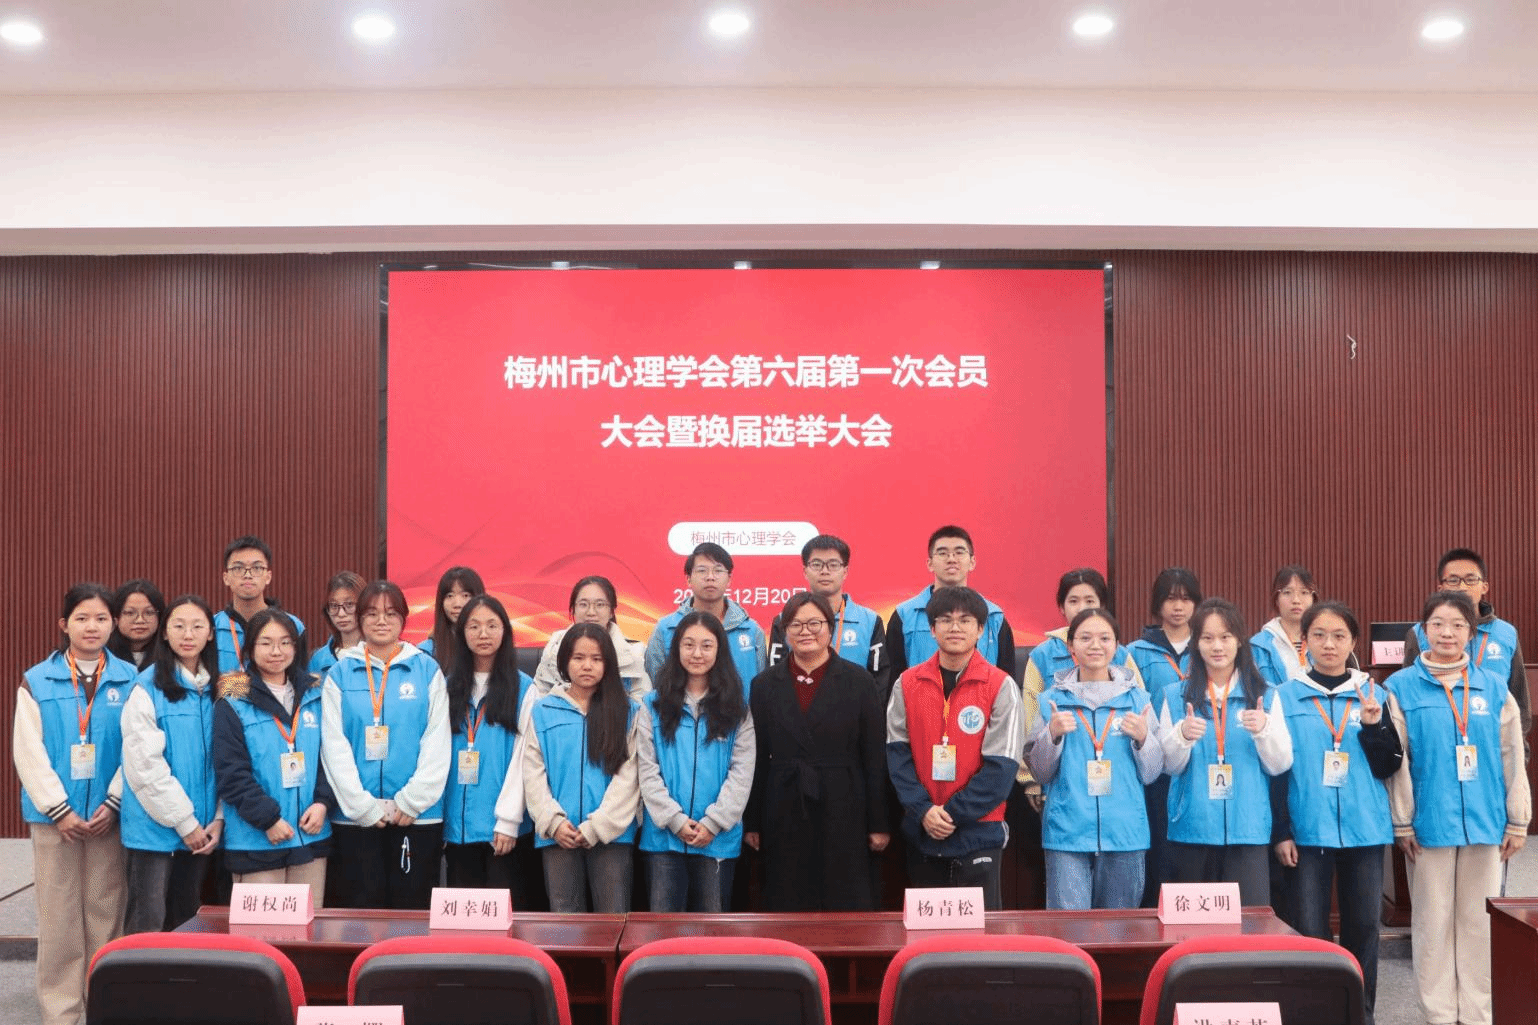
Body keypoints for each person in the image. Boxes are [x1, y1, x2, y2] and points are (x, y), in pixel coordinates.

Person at [1386, 590, 1530, 1025]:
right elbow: (1398, 763)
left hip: (1487, 822)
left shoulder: (1494, 687)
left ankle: (1477, 1014)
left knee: (1478, 923)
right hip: (1428, 823)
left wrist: (1518, 819)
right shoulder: (1400, 688)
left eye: (1457, 625)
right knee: (1432, 924)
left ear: (1471, 632)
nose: (1447, 633)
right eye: (1437, 624)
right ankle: (1439, 1015)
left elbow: (1512, 755)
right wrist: (1402, 822)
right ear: (1422, 630)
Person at [1272, 601, 1401, 1025]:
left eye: (1339, 636)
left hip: (1365, 830)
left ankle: (1360, 1015)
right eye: (1320, 635)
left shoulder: (1375, 695)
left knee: (1363, 929)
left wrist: (1373, 728)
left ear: (1353, 643)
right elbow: (1276, 769)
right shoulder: (1284, 696)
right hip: (1307, 831)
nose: (1329, 644)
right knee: (1310, 931)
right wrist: (1282, 831)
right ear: (1304, 642)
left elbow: (1389, 765)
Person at [13, 583, 135, 1025]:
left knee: (106, 915)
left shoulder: (131, 680)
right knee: (59, 919)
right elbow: (28, 752)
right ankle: (61, 1013)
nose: (91, 627)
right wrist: (59, 809)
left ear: (113, 624)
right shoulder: (36, 681)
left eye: (101, 618)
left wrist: (114, 802)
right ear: (64, 625)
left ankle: (103, 1007)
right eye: (82, 618)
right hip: (54, 823)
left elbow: (137, 748)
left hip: (107, 818)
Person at [746, 592, 889, 910]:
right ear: (784, 632)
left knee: (843, 899)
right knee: (787, 896)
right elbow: (756, 758)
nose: (805, 631)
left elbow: (874, 757)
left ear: (830, 627)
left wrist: (878, 822)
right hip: (783, 802)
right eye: (795, 625)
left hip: (844, 801)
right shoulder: (764, 685)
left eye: (814, 623)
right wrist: (752, 821)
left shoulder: (860, 681)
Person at [887, 586, 1021, 910]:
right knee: (928, 933)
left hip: (979, 833)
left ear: (980, 629)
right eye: (945, 620)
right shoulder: (906, 683)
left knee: (978, 935)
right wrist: (924, 811)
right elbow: (897, 756)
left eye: (965, 620)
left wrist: (951, 814)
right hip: (923, 830)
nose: (955, 627)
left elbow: (1002, 767)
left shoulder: (1001, 686)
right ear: (932, 630)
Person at [320, 579, 450, 909]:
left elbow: (437, 741)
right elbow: (334, 746)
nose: (381, 621)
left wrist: (412, 801)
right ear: (360, 619)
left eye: (391, 613)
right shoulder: (339, 674)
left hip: (417, 818)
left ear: (403, 619)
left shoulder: (427, 670)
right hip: (355, 819)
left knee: (413, 914)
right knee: (360, 916)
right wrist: (360, 806)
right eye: (372, 613)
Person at [1029, 607, 1163, 909]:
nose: (1095, 646)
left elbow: (1153, 773)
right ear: (1071, 646)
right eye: (1085, 638)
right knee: (1070, 927)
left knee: (1120, 929)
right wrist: (1052, 736)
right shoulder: (1051, 701)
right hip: (1067, 832)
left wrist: (1144, 739)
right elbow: (1039, 771)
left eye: (1105, 638)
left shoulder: (1138, 700)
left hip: (1125, 832)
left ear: (1117, 646)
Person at [1160, 599, 1292, 905]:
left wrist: (1264, 731)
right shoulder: (1175, 696)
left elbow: (1280, 764)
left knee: (1248, 925)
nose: (1217, 646)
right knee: (1194, 925)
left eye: (1225, 637)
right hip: (1192, 830)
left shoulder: (1264, 695)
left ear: (1240, 641)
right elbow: (1167, 766)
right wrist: (1181, 736)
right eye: (1207, 638)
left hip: (1248, 829)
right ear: (1196, 643)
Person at [213, 608, 333, 904]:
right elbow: (231, 773)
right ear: (250, 648)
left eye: (285, 642)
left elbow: (330, 759)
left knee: (307, 926)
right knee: (262, 930)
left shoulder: (315, 692)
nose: (276, 651)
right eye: (266, 643)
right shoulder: (233, 697)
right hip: (257, 840)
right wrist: (268, 819)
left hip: (310, 835)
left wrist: (322, 803)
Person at [637, 611, 755, 912]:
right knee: (664, 931)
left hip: (717, 839)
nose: (697, 654)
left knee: (711, 932)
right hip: (663, 839)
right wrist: (675, 820)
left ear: (719, 650)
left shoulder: (736, 708)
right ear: (676, 649)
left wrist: (713, 823)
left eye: (706, 645)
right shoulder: (653, 704)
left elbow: (741, 773)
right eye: (688, 645)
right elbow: (647, 769)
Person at [522, 623, 643, 913]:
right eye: (578, 658)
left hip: (611, 837)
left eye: (596, 659)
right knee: (565, 921)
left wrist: (598, 826)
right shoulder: (543, 710)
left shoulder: (628, 711)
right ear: (564, 661)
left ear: (608, 663)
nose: (587, 666)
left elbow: (630, 776)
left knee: (613, 920)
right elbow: (532, 773)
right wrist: (553, 822)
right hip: (558, 836)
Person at [120, 594, 223, 933]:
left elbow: (231, 758)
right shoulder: (146, 687)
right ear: (164, 632)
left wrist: (218, 818)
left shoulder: (221, 687)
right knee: (148, 921)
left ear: (210, 633)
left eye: (197, 626)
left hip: (203, 829)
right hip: (155, 830)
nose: (188, 634)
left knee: (188, 920)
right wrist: (185, 823)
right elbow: (145, 767)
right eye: (178, 626)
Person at [443, 595, 537, 900]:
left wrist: (508, 820)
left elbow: (525, 759)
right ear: (461, 633)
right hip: (456, 830)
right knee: (463, 918)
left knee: (503, 917)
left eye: (492, 625)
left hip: (503, 830)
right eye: (474, 626)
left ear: (505, 631)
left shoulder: (525, 688)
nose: (483, 634)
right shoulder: (446, 687)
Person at [1401, 547, 1531, 757]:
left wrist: (1517, 748)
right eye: (1453, 580)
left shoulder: (1506, 634)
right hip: (1437, 747)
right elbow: (1408, 694)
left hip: (1494, 746)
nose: (1462, 587)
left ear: (1484, 586)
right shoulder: (1420, 633)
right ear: (1441, 588)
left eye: (1471, 579)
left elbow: (1519, 697)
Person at [1126, 567, 1202, 906]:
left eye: (1185, 599)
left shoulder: (1207, 646)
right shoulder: (1136, 652)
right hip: (1153, 763)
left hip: (1199, 758)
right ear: (1158, 604)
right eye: (1170, 599)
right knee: (1158, 845)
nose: (1178, 607)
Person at [887, 526, 1015, 679]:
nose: (951, 559)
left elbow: (1007, 681)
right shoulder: (904, 616)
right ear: (929, 563)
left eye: (959, 552)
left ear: (972, 562)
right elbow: (894, 680)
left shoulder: (994, 617)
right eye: (942, 553)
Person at [768, 534, 889, 694]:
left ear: (845, 571)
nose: (825, 571)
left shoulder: (869, 621)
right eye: (817, 564)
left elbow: (880, 680)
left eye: (833, 565)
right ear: (805, 571)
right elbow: (775, 676)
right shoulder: (786, 620)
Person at [644, 543, 767, 692]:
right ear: (688, 579)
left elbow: (762, 686)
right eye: (702, 571)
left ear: (729, 579)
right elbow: (656, 685)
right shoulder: (666, 629)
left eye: (718, 570)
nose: (710, 577)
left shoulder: (751, 631)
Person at [534, 575, 651, 698]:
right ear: (573, 609)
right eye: (583, 604)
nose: (591, 612)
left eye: (600, 605)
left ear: (611, 611)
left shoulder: (634, 652)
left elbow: (641, 701)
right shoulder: (555, 646)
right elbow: (539, 693)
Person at [213, 535, 305, 673]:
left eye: (256, 568)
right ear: (226, 578)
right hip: (229, 687)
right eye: (238, 568)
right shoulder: (212, 628)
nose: (247, 575)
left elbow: (299, 679)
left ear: (268, 576)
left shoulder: (293, 626)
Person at [1250, 565, 1318, 685]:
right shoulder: (1258, 647)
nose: (1296, 600)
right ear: (1276, 599)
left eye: (1304, 592)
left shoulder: (1325, 641)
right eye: (1287, 592)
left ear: (1313, 598)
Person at [418, 565, 484, 675]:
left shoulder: (493, 646)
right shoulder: (426, 651)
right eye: (449, 596)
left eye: (465, 595)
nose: (457, 604)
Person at [308, 570, 365, 679]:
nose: (341, 614)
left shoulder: (378, 654)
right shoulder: (318, 659)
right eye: (334, 606)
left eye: (349, 604)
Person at [107, 579, 166, 669]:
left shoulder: (171, 657)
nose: (140, 620)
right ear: (116, 617)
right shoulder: (102, 655)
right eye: (130, 613)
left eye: (149, 613)